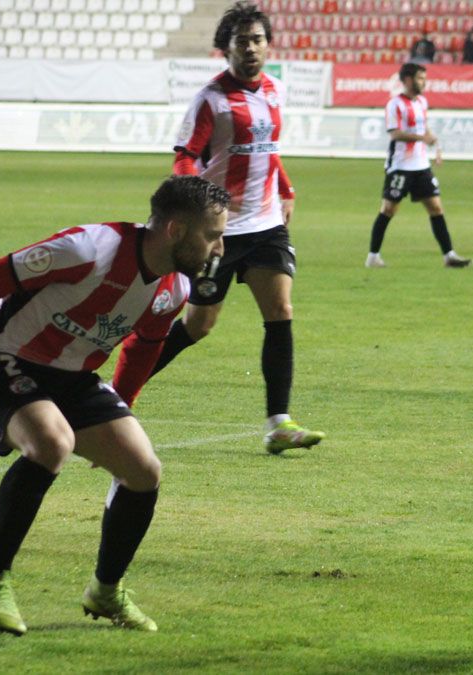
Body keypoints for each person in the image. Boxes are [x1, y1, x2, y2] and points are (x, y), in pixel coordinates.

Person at [0, 176, 230, 636]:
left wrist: (120, 410)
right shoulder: (91, 249)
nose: (219, 249)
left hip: (73, 377)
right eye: (212, 235)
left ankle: (105, 590)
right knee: (51, 443)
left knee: (143, 471)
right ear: (176, 230)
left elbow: (144, 347)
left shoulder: (174, 288)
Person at [111, 1, 324, 455]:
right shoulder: (210, 100)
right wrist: (198, 215)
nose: (250, 48)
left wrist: (285, 188)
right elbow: (186, 157)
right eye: (241, 41)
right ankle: (112, 395)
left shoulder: (276, 91)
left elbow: (269, 149)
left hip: (266, 225)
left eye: (257, 39)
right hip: (219, 231)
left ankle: (278, 422)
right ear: (224, 49)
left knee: (281, 311)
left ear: (268, 45)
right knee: (199, 323)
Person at [366, 62, 471, 269]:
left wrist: (434, 144)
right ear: (407, 80)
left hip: (421, 166)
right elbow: (395, 133)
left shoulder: (422, 102)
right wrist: (423, 138)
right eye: (420, 78)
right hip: (400, 166)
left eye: (424, 78)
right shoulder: (394, 104)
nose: (424, 82)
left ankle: (449, 255)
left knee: (436, 207)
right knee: (388, 209)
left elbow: (424, 128)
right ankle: (373, 256)